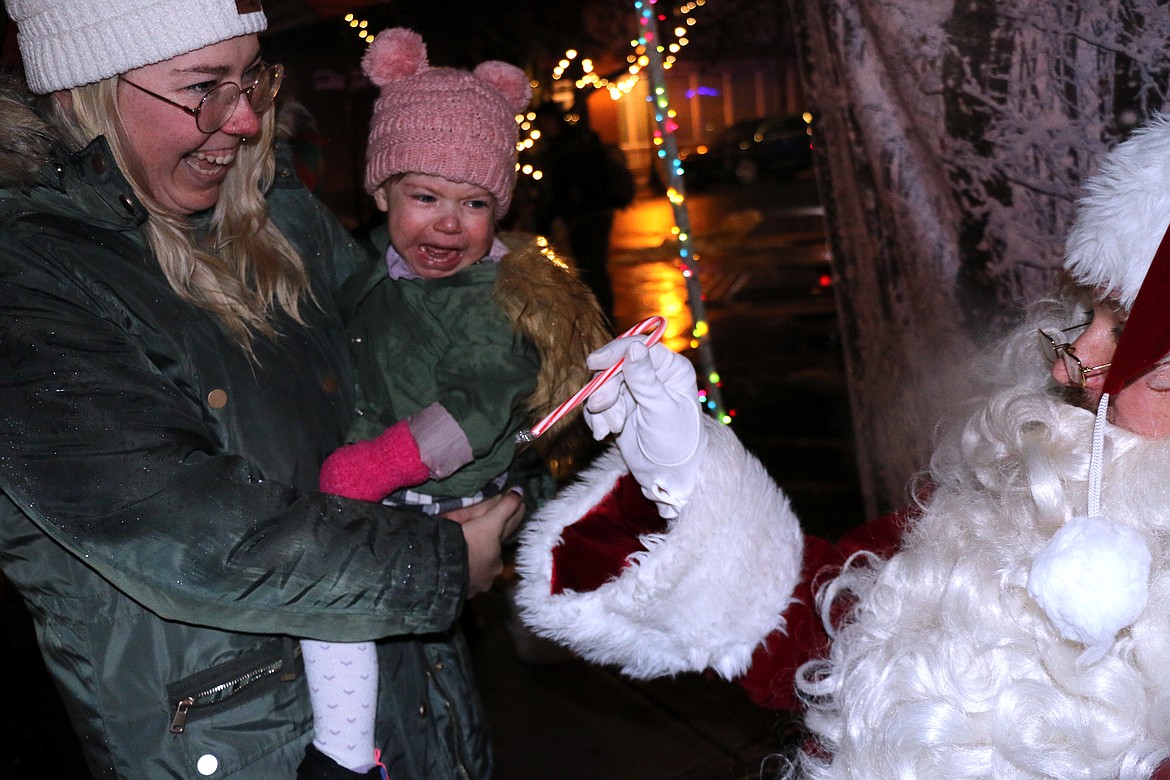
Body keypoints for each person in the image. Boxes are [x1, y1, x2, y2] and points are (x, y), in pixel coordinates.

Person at [514, 113, 1170, 778]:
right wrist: (685, 472)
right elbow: (823, 628)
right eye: (1086, 317)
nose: (1067, 367)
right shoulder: (1023, 488)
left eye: (1120, 335)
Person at [0, 2, 525, 778]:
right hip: (245, 740)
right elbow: (179, 525)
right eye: (205, 85)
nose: (244, 119)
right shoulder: (29, 277)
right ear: (86, 92)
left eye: (252, 77)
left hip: (415, 698)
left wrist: (525, 392)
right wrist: (441, 562)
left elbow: (413, 367)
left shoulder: (277, 213)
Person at [299, 27, 609, 778]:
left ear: (498, 213)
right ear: (381, 193)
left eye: (474, 203)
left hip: (438, 490)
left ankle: (343, 753)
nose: (447, 222)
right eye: (425, 196)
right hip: (402, 489)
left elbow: (473, 412)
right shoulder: (378, 266)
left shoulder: (491, 304)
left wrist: (375, 465)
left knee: (337, 607)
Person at [533, 101, 634, 327]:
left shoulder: (573, 144)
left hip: (591, 215)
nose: (544, 126)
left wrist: (551, 216)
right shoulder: (560, 145)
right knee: (588, 267)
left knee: (593, 267)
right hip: (582, 215)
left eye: (546, 121)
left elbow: (567, 186)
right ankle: (601, 315)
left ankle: (604, 317)